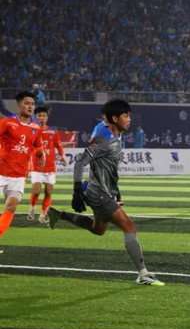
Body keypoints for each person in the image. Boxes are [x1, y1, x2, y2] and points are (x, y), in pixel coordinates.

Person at [46, 99, 164, 286]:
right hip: (98, 193)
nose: (129, 119)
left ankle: (60, 215)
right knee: (130, 227)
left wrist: (116, 194)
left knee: (98, 229)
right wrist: (77, 189)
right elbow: (80, 162)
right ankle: (143, 274)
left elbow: (108, 167)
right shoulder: (104, 139)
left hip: (104, 192)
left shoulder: (115, 134)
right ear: (115, 119)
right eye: (126, 116)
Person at [0, 92, 45, 254]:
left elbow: (37, 145)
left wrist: (41, 154)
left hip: (19, 175)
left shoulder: (36, 127)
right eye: (26, 103)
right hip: (1, 172)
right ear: (18, 105)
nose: (30, 106)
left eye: (32, 104)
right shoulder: (7, 122)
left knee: (11, 206)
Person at [27, 106, 67, 224]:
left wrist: (62, 155)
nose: (42, 118)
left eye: (44, 115)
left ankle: (43, 214)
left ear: (47, 117)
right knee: (36, 191)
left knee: (48, 192)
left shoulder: (53, 131)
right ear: (35, 117)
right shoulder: (31, 130)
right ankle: (32, 208)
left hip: (50, 167)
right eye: (39, 115)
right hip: (36, 166)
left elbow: (58, 145)